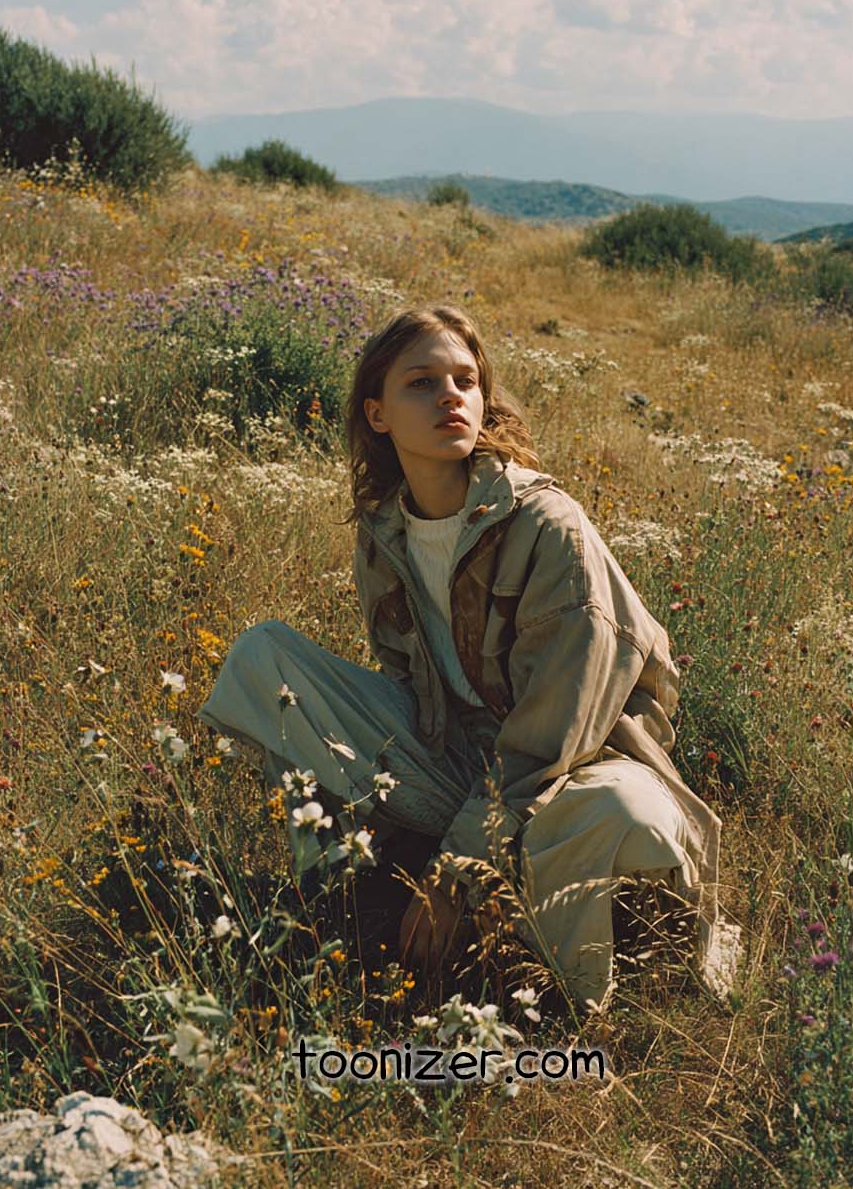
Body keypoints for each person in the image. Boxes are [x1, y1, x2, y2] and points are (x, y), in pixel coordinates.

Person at [197, 305, 741, 1008]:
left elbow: (559, 730)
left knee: (623, 815)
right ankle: (342, 896)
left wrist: (458, 864)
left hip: (578, 771)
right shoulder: (384, 530)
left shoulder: (547, 525)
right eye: (421, 383)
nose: (450, 396)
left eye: (465, 380)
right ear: (379, 414)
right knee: (263, 656)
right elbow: (404, 681)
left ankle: (552, 1002)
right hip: (458, 755)